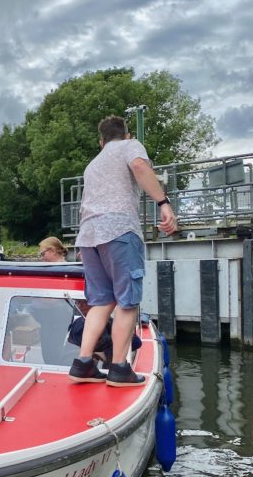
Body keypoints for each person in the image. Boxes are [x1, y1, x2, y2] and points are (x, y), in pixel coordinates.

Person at [69, 115, 177, 386]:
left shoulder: (92, 165)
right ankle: (119, 368)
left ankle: (83, 364)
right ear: (126, 135)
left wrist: (86, 243)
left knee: (101, 302)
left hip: (89, 234)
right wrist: (163, 202)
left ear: (100, 141)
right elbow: (140, 167)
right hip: (119, 230)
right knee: (128, 302)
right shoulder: (130, 146)